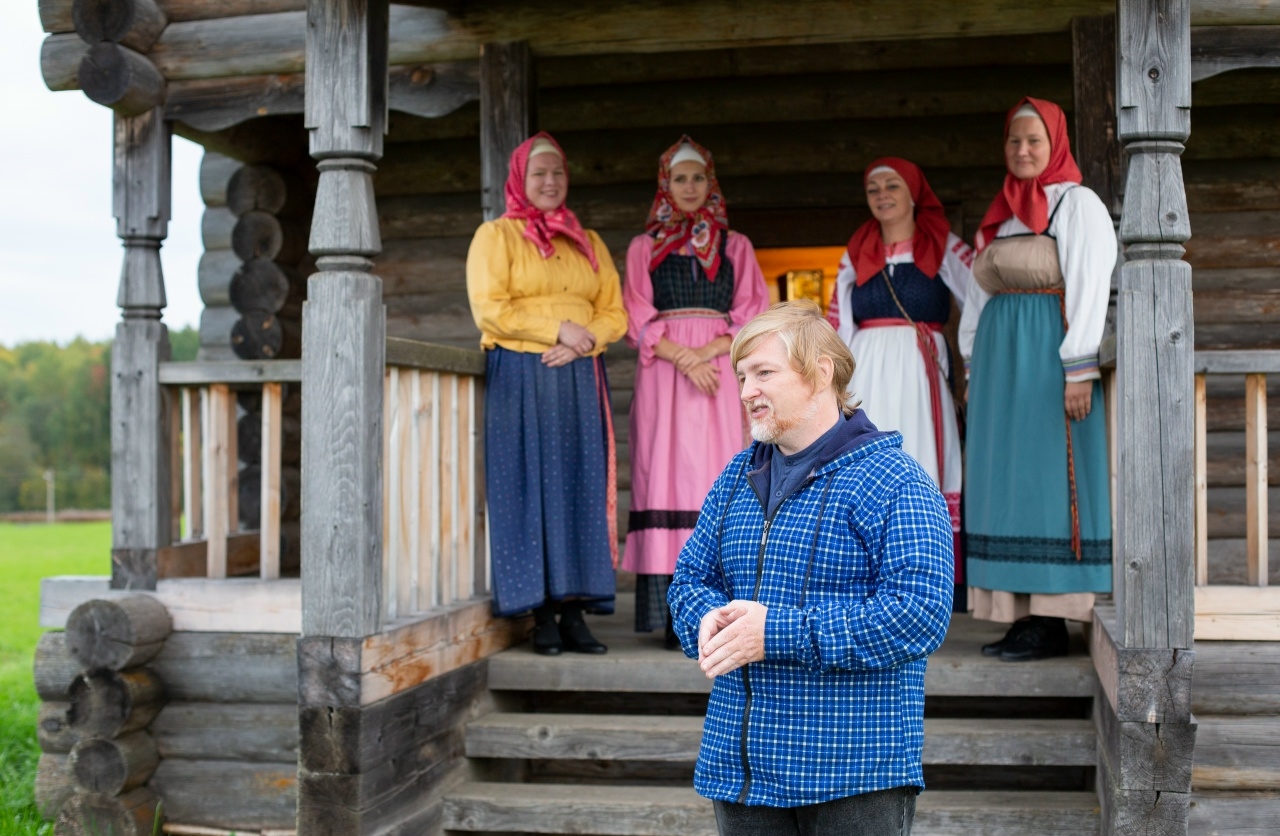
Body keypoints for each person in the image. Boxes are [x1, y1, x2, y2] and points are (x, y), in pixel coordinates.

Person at [668, 301, 954, 836]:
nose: (746, 391)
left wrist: (774, 633)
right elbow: (690, 581)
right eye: (741, 376)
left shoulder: (895, 480)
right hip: (744, 772)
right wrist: (705, 618)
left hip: (853, 773)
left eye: (764, 373)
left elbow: (920, 614)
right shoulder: (735, 478)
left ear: (821, 372)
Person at [958, 97, 1115, 662]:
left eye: (1034, 140)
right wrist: (973, 366)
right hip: (999, 367)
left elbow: (1090, 285)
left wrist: (1079, 367)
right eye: (1014, 140)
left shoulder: (1077, 204)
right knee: (1003, 482)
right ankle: (1018, 615)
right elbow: (977, 299)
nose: (1023, 150)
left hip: (1047, 359)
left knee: (1045, 479)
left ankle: (1052, 618)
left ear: (1055, 144)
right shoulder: (1001, 215)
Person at [466, 131, 627, 656]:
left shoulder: (588, 241)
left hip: (579, 373)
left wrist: (585, 340)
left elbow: (614, 311)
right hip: (522, 371)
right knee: (530, 487)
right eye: (539, 173)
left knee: (581, 485)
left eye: (558, 172)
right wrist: (557, 329)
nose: (550, 181)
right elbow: (490, 308)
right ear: (520, 178)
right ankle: (540, 615)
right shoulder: (496, 236)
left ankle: (575, 613)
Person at [622, 136, 770, 649]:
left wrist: (705, 354)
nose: (689, 187)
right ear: (666, 185)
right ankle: (671, 615)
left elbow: (752, 311)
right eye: (679, 178)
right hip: (665, 374)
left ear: (711, 183)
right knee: (663, 478)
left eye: (698, 177)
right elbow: (636, 315)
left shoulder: (736, 246)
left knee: (716, 474)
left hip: (718, 373)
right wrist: (685, 358)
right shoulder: (644, 247)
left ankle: (717, 611)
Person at [826, 157, 973, 597]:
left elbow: (980, 299)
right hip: (867, 367)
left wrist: (972, 362)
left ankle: (929, 571)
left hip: (918, 368)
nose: (882, 195)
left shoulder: (943, 245)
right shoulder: (857, 250)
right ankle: (865, 572)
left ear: (913, 194)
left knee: (920, 453)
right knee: (864, 458)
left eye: (892, 186)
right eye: (874, 189)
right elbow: (838, 320)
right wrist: (833, 380)